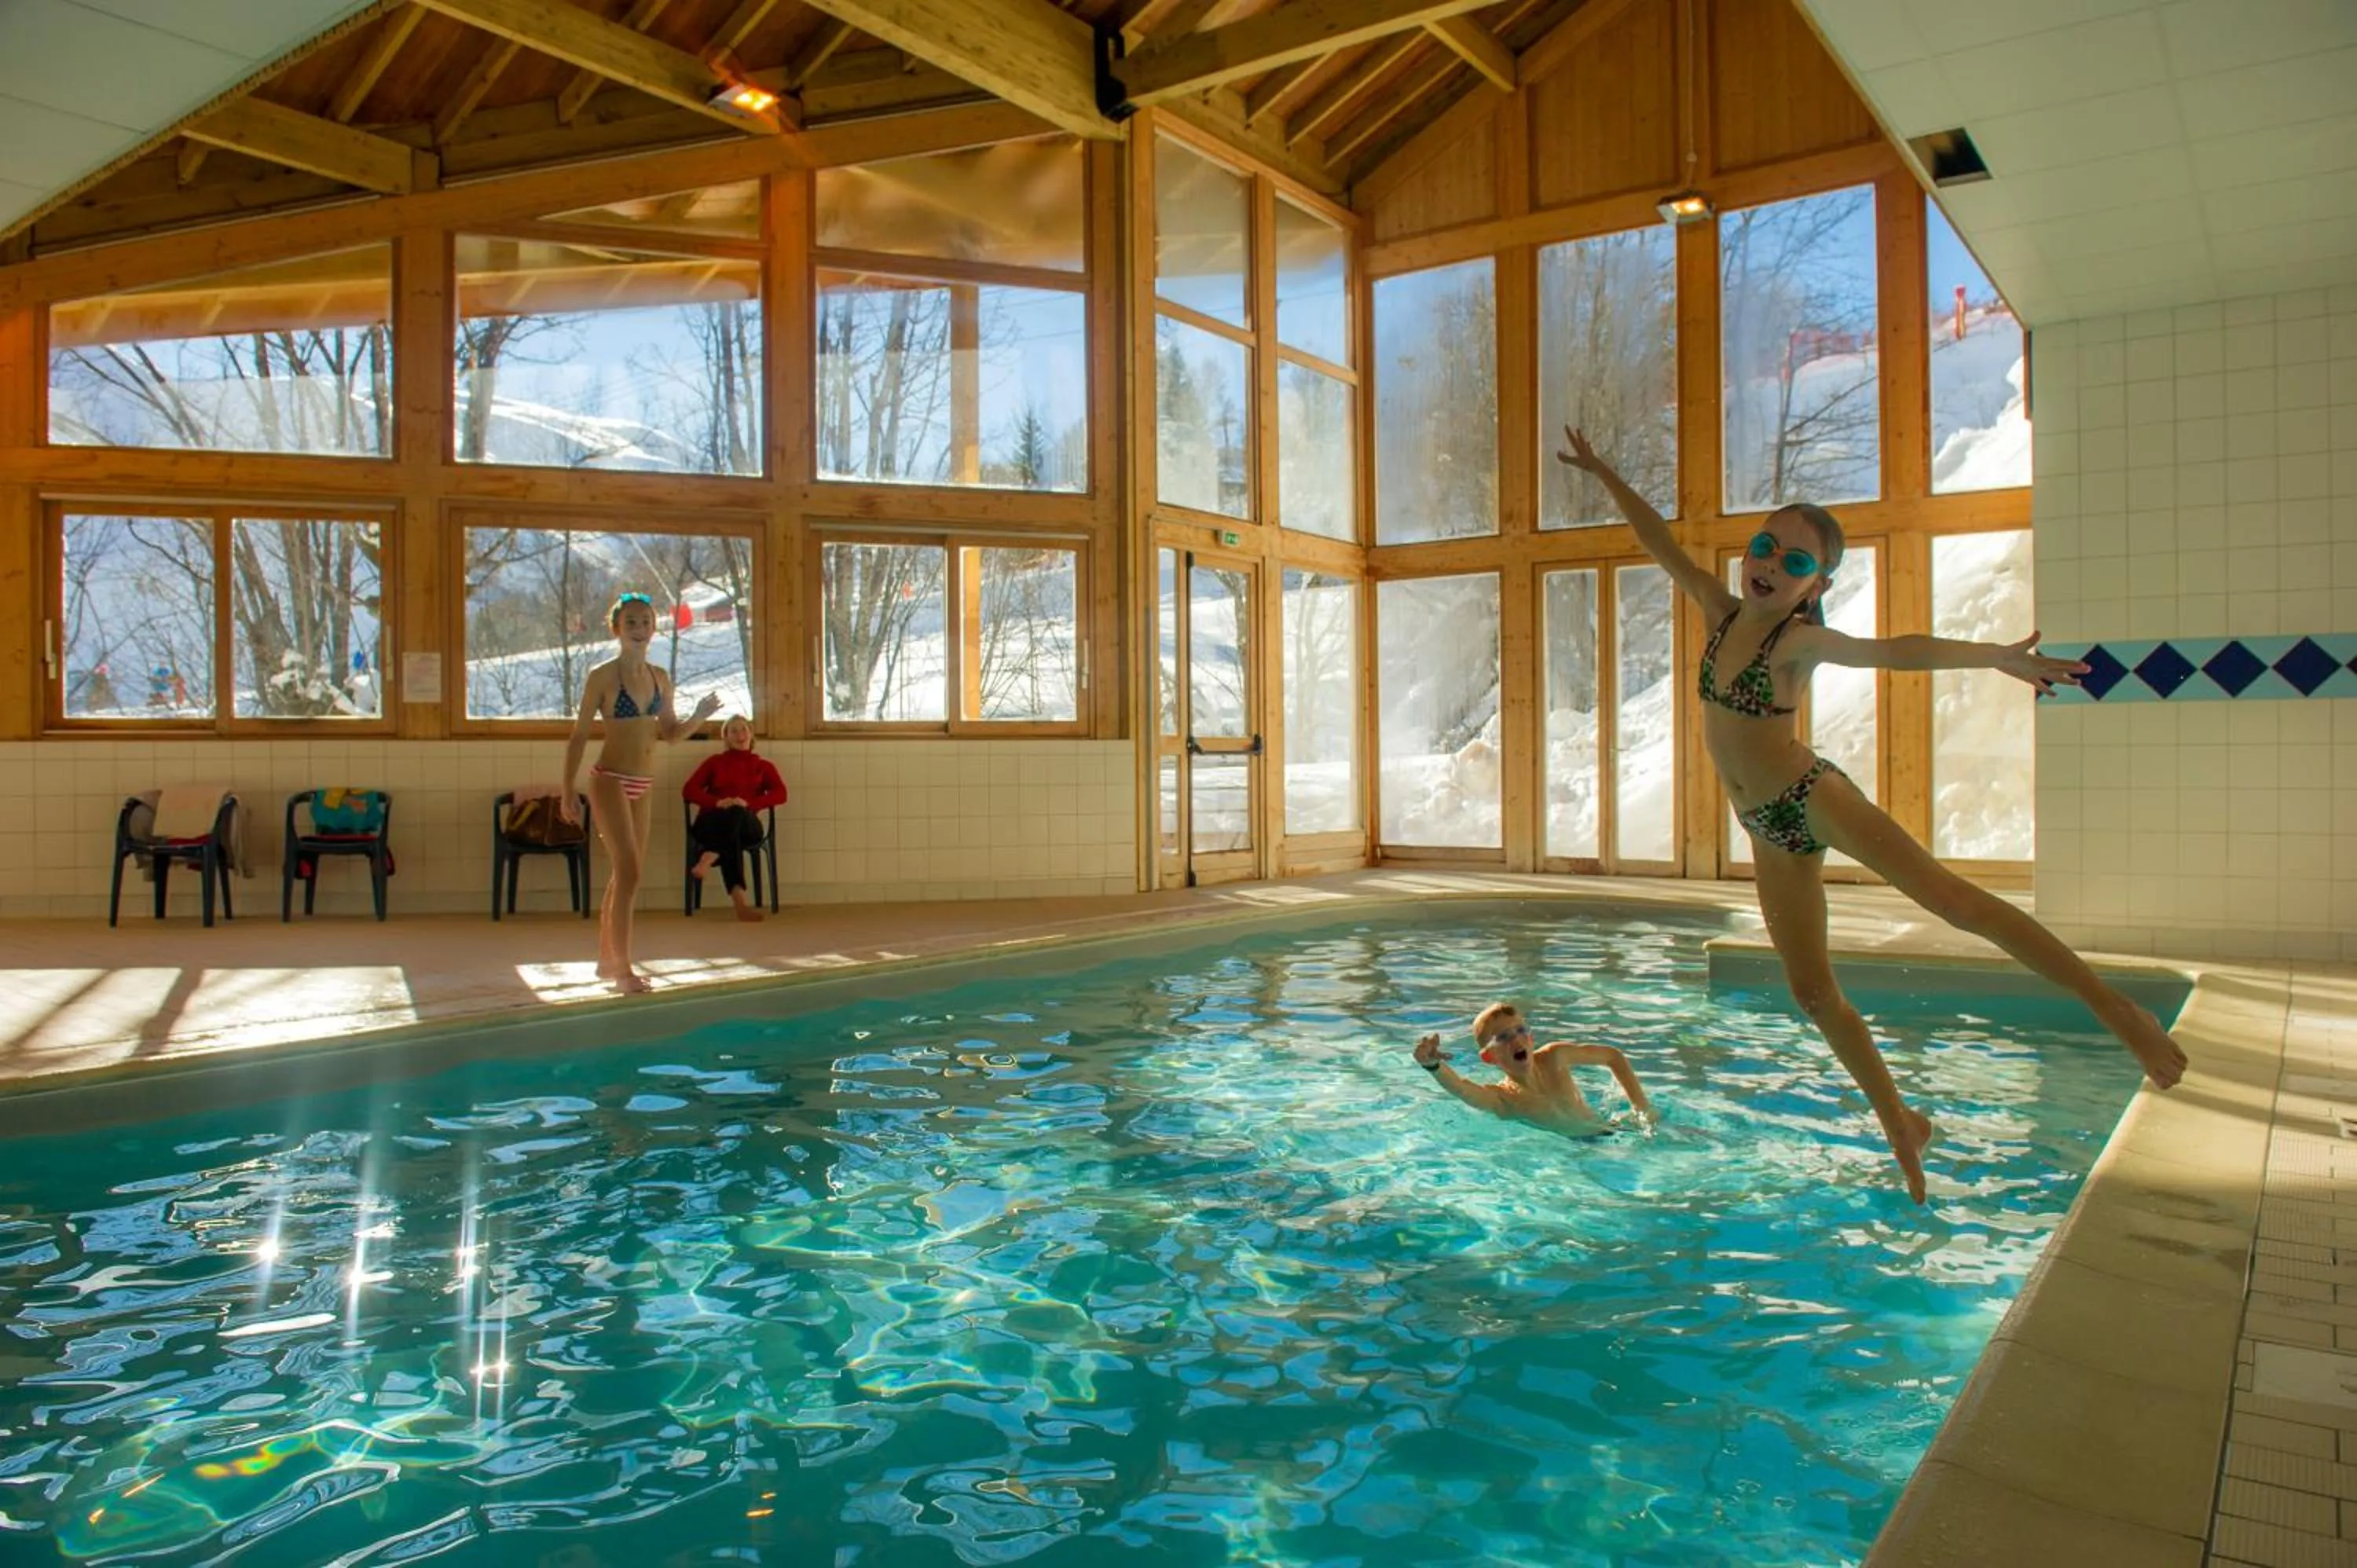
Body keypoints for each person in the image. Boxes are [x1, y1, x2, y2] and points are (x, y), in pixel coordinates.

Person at [1556, 427, 2187, 1203]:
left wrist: (1994, 655)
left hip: (1812, 798)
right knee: (1814, 994)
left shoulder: (1801, 640)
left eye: (1794, 562)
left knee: (1953, 901)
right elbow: (1659, 541)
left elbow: (1894, 650)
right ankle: (1902, 1122)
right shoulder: (1718, 612)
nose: (1768, 565)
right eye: (1764, 546)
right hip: (1764, 830)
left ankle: (2117, 1011)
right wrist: (1605, 472)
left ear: (1813, 585)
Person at [562, 591, 720, 993]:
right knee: (631, 872)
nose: (639, 629)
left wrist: (698, 717)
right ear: (616, 628)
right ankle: (624, 970)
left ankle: (607, 961)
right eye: (630, 622)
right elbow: (579, 736)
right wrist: (567, 791)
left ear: (654, 628)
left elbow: (669, 735)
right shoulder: (602, 676)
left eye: (646, 622)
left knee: (624, 874)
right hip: (610, 779)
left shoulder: (659, 678)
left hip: (642, 783)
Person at [1413, 1002, 1654, 1137]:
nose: (1516, 1040)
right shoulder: (1504, 1099)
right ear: (1489, 1056)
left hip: (1617, 1131)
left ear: (1531, 1036)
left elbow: (1613, 1056)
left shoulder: (1555, 1057)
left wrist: (1642, 1107)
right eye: (1503, 1037)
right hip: (1581, 1157)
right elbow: (1462, 1089)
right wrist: (1433, 1065)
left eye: (1520, 1031)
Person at [681, 714, 786, 922]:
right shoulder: (715, 762)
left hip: (747, 825)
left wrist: (749, 804)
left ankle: (709, 856)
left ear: (751, 734)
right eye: (734, 731)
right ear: (726, 738)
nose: (740, 734)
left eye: (744, 729)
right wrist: (717, 803)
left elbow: (781, 794)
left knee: (738, 812)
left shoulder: (763, 766)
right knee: (731, 837)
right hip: (712, 822)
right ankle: (740, 904)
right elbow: (689, 790)